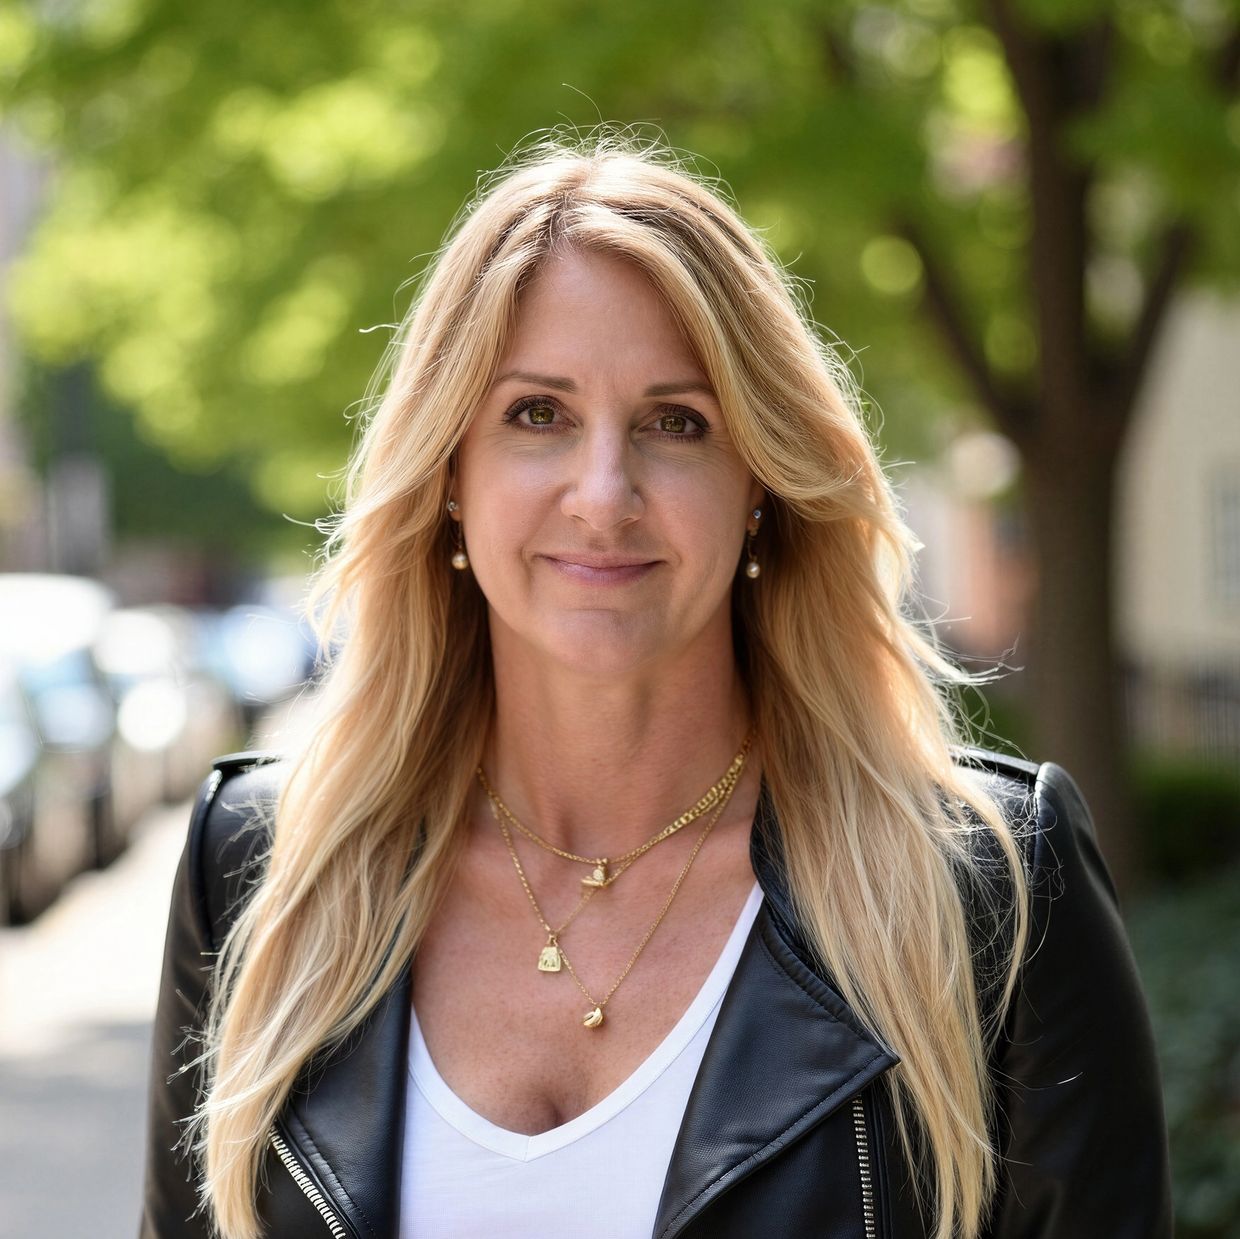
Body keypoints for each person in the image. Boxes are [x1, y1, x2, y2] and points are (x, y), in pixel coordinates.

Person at [140, 135, 1171, 1239]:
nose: (603, 492)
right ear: (448, 472)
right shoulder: (261, 868)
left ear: (760, 485)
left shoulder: (992, 894)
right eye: (537, 413)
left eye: (676, 423)